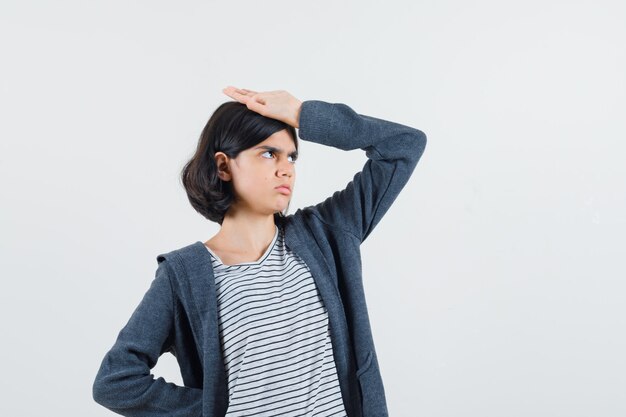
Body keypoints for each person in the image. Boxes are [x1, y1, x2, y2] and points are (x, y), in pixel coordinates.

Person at [92, 87, 427, 417]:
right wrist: (216, 409)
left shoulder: (327, 232)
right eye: (269, 154)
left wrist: (302, 114)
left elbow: (403, 144)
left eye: (291, 156)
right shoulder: (184, 275)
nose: (286, 169)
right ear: (223, 166)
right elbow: (116, 381)